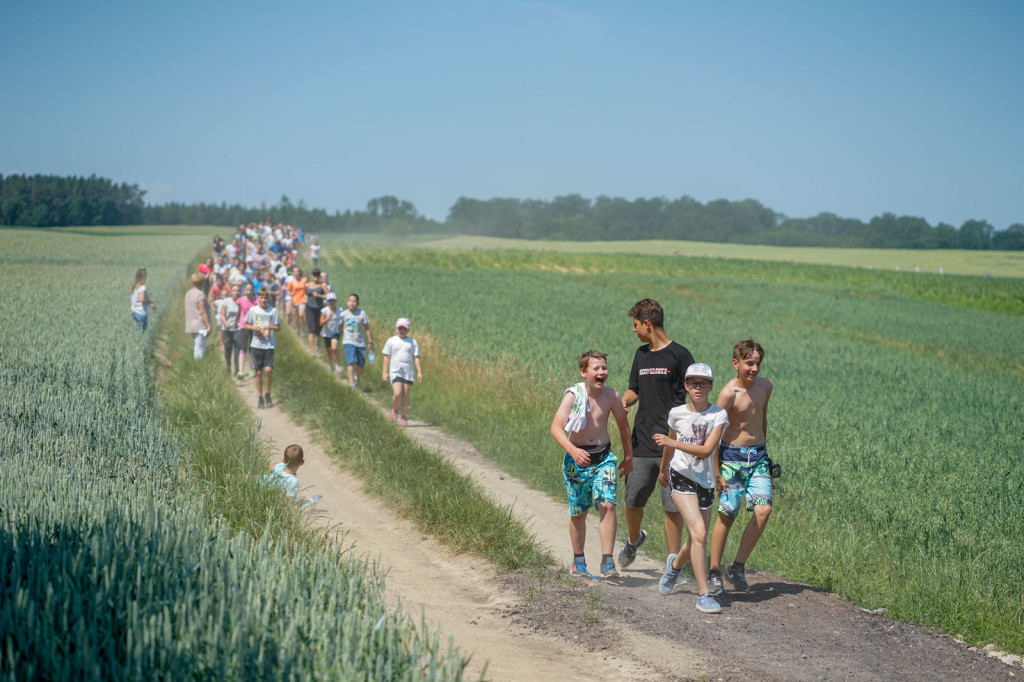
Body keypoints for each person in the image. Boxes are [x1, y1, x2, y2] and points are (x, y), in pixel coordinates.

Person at [618, 299, 695, 570]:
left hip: (672, 446)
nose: (634, 330)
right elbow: (634, 388)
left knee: (672, 508)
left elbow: (694, 396)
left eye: (636, 325)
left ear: (647, 324)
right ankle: (633, 539)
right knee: (631, 501)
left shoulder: (681, 356)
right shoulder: (641, 354)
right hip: (641, 442)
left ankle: (672, 566)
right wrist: (623, 402)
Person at [549, 350, 633, 580]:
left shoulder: (611, 396)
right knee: (579, 512)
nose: (601, 372)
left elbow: (624, 428)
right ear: (583, 372)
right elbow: (556, 428)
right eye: (596, 368)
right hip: (577, 460)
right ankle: (578, 562)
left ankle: (607, 561)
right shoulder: (573, 396)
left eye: (604, 368)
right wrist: (574, 451)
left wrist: (628, 457)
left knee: (607, 504)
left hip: (604, 457)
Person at [655, 363, 728, 614]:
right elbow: (668, 447)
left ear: (711, 386)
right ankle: (704, 594)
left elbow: (708, 450)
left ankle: (674, 566)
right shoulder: (676, 413)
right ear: (686, 386)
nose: (698, 388)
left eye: (704, 383)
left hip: (705, 481)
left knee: (695, 538)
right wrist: (663, 469)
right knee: (699, 533)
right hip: (681, 476)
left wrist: (672, 441)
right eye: (693, 383)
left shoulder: (718, 415)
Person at [707, 339, 774, 595]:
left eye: (757, 363)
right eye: (749, 363)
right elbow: (715, 432)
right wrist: (715, 470)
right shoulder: (728, 393)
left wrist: (765, 454)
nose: (754, 368)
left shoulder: (766, 386)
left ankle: (737, 568)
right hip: (730, 458)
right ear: (736, 364)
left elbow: (762, 418)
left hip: (757, 457)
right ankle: (714, 571)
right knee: (728, 513)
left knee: (764, 510)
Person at [381, 318, 422, 426]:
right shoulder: (391, 340)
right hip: (395, 370)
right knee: (397, 393)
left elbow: (416, 357)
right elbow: (386, 357)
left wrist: (419, 372)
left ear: (408, 329)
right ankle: (394, 410)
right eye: (400, 328)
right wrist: (384, 372)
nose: (402, 330)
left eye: (404, 328)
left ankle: (404, 417)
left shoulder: (412, 342)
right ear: (396, 328)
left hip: (408, 371)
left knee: (405, 394)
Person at [244, 287, 280, 409]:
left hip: (269, 344)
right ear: (258, 298)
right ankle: (260, 397)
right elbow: (246, 324)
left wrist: (269, 327)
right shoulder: (253, 310)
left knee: (268, 370)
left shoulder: (273, 311)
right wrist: (255, 328)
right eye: (261, 297)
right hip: (256, 344)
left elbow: (277, 327)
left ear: (268, 298)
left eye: (265, 297)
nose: (264, 300)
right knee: (258, 372)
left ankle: (268, 394)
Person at [265, 444, 321, 508]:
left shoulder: (279, 466)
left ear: (283, 460)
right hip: (275, 498)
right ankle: (309, 502)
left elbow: (269, 467)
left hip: (265, 488)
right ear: (302, 462)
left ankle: (309, 500)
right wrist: (305, 511)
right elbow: (287, 504)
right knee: (298, 503)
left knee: (294, 497)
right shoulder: (293, 481)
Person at [339, 293, 373, 389]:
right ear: (347, 302)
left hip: (360, 342)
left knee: (361, 364)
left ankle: (357, 377)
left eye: (354, 301)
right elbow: (340, 326)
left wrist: (370, 341)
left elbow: (367, 328)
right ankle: (352, 384)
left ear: (358, 303)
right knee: (351, 362)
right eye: (350, 301)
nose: (352, 303)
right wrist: (342, 334)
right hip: (348, 341)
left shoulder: (362, 314)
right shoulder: (343, 314)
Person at [184, 272, 211, 359]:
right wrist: (208, 325)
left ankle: (196, 367)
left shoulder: (188, 293)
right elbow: (202, 310)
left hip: (191, 324)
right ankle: (198, 368)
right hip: (200, 325)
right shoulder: (200, 294)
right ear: (201, 282)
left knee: (197, 347)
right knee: (200, 349)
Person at [219, 283, 242, 376]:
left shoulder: (241, 302)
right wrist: (225, 323)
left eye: (238, 291)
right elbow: (222, 314)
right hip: (227, 330)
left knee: (237, 350)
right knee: (228, 350)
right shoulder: (226, 301)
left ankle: (237, 370)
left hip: (237, 329)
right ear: (231, 292)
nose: (236, 292)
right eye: (234, 290)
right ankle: (228, 366)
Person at [320, 292, 342, 373]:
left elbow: (341, 321)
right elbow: (321, 323)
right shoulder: (324, 310)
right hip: (326, 333)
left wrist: (341, 330)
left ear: (336, 301)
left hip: (336, 332)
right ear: (327, 302)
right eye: (329, 301)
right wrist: (329, 317)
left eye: (333, 300)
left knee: (334, 348)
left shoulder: (340, 310)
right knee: (329, 352)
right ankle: (330, 365)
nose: (331, 302)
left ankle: (337, 365)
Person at [305, 269, 327, 352]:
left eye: (318, 275)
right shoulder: (307, 285)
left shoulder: (323, 285)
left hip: (319, 309)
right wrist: (305, 298)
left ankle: (318, 342)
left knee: (319, 329)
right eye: (314, 275)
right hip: (309, 308)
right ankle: (313, 350)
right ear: (312, 276)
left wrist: (319, 295)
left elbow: (329, 296)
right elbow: (305, 294)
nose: (316, 276)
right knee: (311, 329)